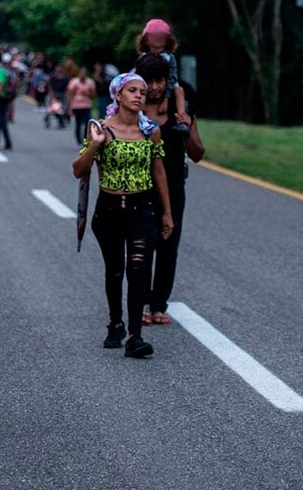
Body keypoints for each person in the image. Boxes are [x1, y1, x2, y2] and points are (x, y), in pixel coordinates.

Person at [72, 73, 173, 358]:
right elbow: (79, 170)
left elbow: (159, 171)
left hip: (143, 208)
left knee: (139, 267)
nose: (139, 95)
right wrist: (94, 145)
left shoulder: (150, 130)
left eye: (142, 91)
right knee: (115, 269)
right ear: (118, 95)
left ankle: (135, 336)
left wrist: (167, 212)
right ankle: (115, 323)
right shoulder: (100, 129)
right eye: (132, 90)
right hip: (109, 210)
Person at [136, 54, 205, 326]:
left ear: (167, 81)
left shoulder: (181, 111)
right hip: (139, 188)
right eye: (149, 81)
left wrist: (188, 130)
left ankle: (158, 304)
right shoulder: (132, 112)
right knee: (142, 244)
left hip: (175, 187)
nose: (154, 87)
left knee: (168, 245)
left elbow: (198, 154)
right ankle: (139, 302)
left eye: (160, 80)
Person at [137, 19, 188, 124]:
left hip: (168, 85)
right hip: (147, 85)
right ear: (146, 40)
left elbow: (172, 77)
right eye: (154, 36)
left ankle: (181, 116)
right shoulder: (143, 57)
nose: (158, 38)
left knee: (179, 90)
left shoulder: (169, 58)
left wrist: (166, 99)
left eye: (161, 36)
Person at [67, 68, 97, 146]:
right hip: (76, 106)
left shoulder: (90, 82)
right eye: (81, 74)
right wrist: (69, 107)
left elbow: (93, 95)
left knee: (88, 123)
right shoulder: (74, 82)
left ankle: (85, 139)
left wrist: (88, 93)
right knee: (78, 123)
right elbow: (70, 94)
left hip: (87, 105)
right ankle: (78, 140)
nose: (82, 76)